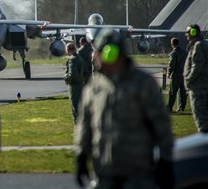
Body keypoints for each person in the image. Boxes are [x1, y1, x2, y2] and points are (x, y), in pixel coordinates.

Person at [74, 28, 174, 189]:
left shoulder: (143, 83)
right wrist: (81, 156)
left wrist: (166, 161)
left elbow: (162, 126)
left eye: (100, 52)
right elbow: (84, 124)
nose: (95, 56)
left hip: (137, 175)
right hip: (104, 172)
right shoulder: (94, 86)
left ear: (112, 53)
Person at [184, 24, 208, 133]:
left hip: (198, 88)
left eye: (188, 32)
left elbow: (197, 66)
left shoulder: (198, 46)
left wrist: (189, 79)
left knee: (201, 120)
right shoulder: (204, 44)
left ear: (193, 33)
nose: (186, 34)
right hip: (204, 86)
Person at [64, 42, 86, 123]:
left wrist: (66, 78)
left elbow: (72, 74)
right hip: (81, 84)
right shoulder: (80, 58)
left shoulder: (72, 60)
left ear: (68, 50)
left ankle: (78, 126)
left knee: (75, 107)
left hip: (75, 86)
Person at [167, 37, 187, 112]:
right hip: (184, 74)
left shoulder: (173, 53)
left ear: (172, 44)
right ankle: (182, 107)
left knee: (173, 91)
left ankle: (170, 107)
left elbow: (172, 64)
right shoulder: (184, 52)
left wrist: (169, 72)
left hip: (176, 74)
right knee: (183, 91)